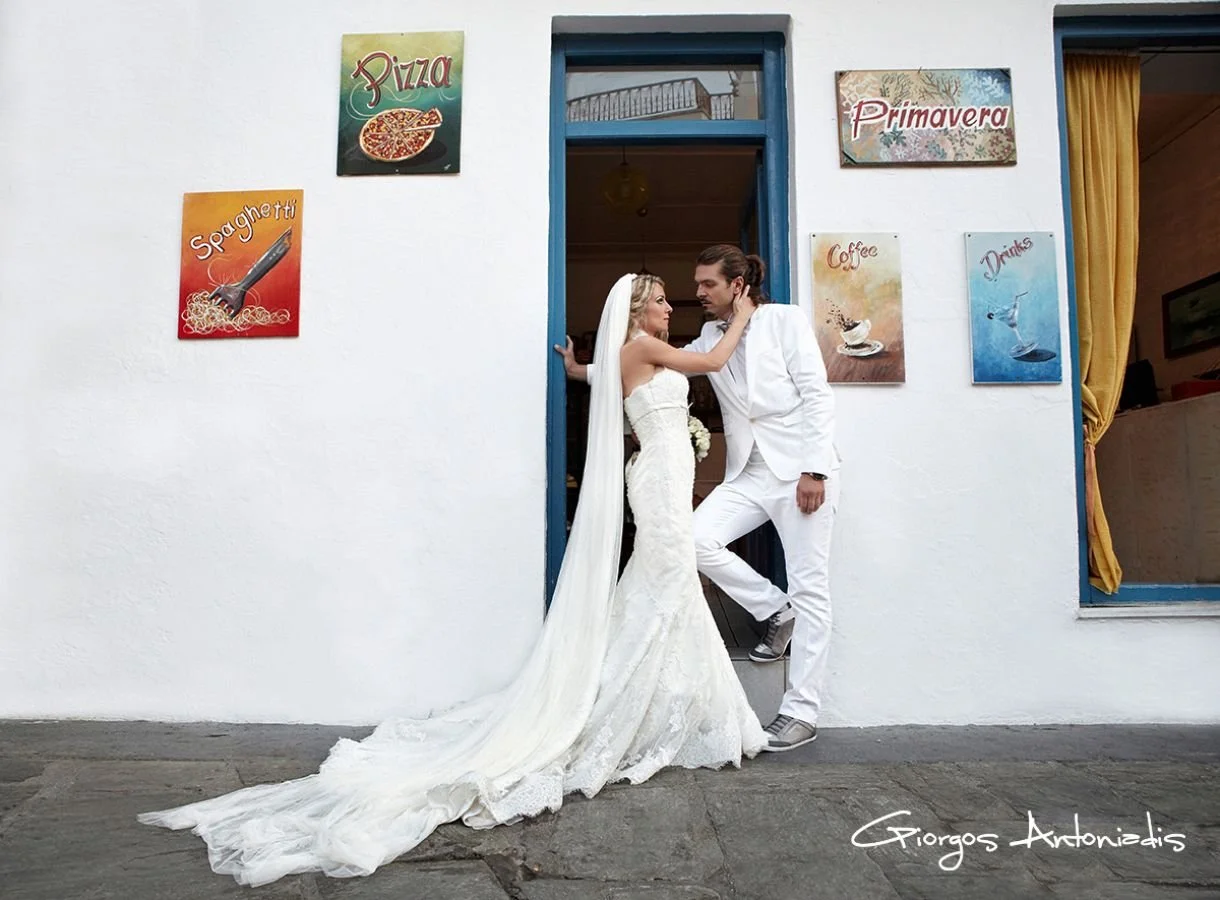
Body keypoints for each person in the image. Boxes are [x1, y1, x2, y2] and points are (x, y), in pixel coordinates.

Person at [137, 273, 766, 887]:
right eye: (660, 302)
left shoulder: (626, 357)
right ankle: (657, 707)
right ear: (636, 312)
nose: (669, 310)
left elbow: (600, 379)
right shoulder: (646, 347)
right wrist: (742, 310)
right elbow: (710, 361)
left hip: (659, 474)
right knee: (668, 583)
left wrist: (576, 368)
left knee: (667, 587)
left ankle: (671, 703)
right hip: (657, 480)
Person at [557, 245, 838, 752]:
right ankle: (776, 608)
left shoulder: (785, 321)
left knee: (812, 587)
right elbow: (642, 367)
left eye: (707, 284)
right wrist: (582, 373)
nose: (697, 293)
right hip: (747, 474)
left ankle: (801, 712)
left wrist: (814, 468)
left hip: (798, 471)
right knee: (694, 541)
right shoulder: (711, 337)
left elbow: (817, 393)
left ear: (737, 285)